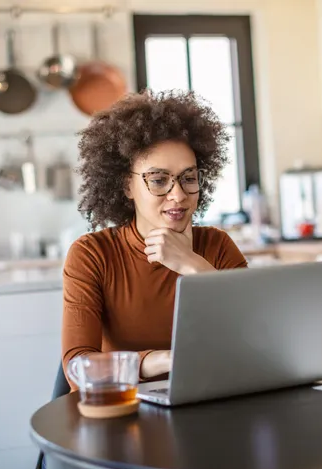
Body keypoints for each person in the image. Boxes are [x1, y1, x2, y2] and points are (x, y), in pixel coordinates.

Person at [62, 90, 248, 388]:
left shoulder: (216, 246)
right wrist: (164, 360)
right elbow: (77, 365)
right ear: (127, 187)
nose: (178, 195)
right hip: (125, 411)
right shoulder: (93, 254)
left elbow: (256, 339)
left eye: (188, 178)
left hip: (209, 404)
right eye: (159, 180)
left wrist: (192, 265)